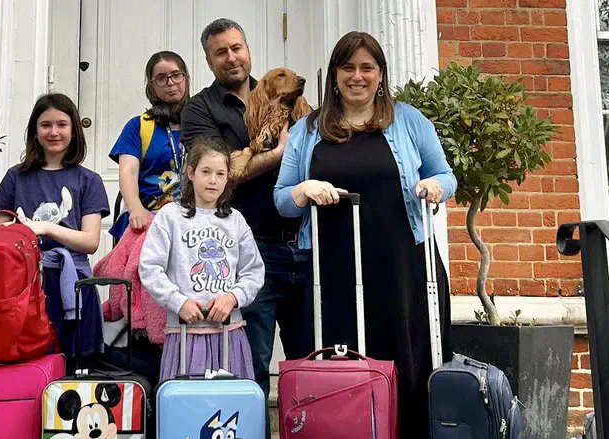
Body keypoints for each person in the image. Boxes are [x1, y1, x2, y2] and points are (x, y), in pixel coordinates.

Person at [273, 31, 457, 436]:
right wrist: (303, 190)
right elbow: (282, 198)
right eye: (348, 67)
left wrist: (436, 186)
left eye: (366, 68)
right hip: (331, 271)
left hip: (400, 266)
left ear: (380, 74)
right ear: (335, 74)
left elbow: (446, 175)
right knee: (339, 363)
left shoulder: (409, 120)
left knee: (405, 359)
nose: (357, 77)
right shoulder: (307, 129)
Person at [181, 20, 313, 435]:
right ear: (209, 61)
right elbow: (218, 174)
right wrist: (280, 152)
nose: (231, 57)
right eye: (221, 52)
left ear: (248, 49)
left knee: (310, 361)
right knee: (252, 363)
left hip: (306, 244)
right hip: (251, 251)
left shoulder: (285, 93)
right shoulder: (200, 109)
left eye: (237, 47)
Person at [0, 92, 110, 373]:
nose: (54, 132)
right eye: (46, 125)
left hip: (74, 286)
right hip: (24, 288)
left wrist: (45, 228)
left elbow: (90, 241)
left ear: (74, 130)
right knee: (26, 365)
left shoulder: (89, 180)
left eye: (62, 124)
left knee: (74, 370)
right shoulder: (15, 177)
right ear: (35, 130)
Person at [139, 137, 264, 380]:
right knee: (187, 399)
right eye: (206, 172)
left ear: (227, 178)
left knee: (229, 399)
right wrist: (178, 302)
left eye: (220, 173)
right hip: (184, 333)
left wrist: (232, 298)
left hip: (229, 332)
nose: (213, 180)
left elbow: (254, 271)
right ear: (191, 173)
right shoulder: (170, 216)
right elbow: (150, 268)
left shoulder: (235, 220)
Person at [108, 50, 190, 240]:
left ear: (186, 78)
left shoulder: (201, 122)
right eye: (161, 78)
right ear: (151, 87)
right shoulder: (138, 126)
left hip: (190, 222)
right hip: (147, 220)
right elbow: (128, 171)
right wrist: (135, 208)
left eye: (176, 75)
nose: (170, 82)